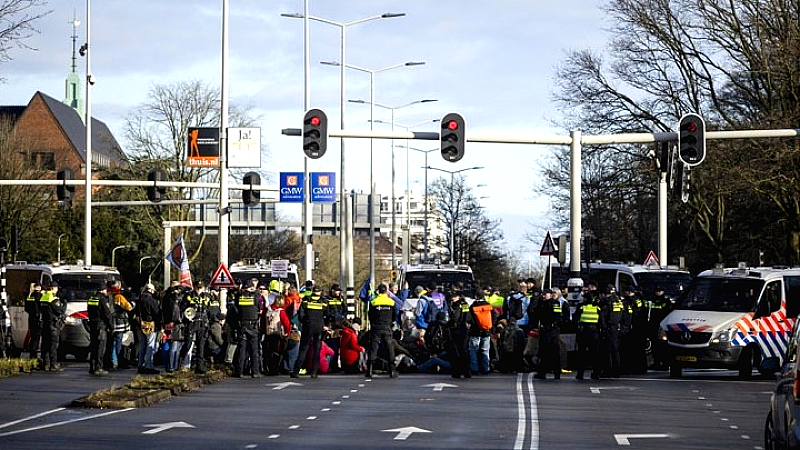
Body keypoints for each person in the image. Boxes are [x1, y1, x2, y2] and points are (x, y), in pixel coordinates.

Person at [291, 286, 328, 379]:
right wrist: (325, 324)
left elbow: (300, 314)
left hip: (308, 327)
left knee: (303, 349)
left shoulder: (306, 300)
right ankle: (314, 372)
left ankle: (296, 371)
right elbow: (328, 314)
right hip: (319, 327)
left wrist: (305, 322)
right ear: (320, 292)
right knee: (317, 350)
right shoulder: (324, 302)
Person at [534, 289, 568, 379]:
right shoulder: (541, 303)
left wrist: (553, 325)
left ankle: (556, 372)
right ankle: (542, 372)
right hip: (545, 329)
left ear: (550, 294)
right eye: (543, 294)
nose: (543, 296)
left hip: (552, 329)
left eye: (545, 294)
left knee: (554, 351)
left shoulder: (555, 303)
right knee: (544, 352)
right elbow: (536, 314)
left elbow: (557, 316)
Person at [366, 284, 397, 378]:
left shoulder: (373, 302)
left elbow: (370, 315)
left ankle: (370, 370)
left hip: (376, 327)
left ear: (378, 291)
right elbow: (394, 316)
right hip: (387, 327)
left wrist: (373, 324)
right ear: (386, 291)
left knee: (373, 348)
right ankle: (392, 371)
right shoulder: (391, 302)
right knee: (389, 348)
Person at [574, 281, 602, 380]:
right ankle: (596, 373)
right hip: (594, 332)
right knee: (595, 354)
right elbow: (601, 321)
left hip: (584, 332)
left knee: (582, 353)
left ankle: (580, 374)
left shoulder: (581, 306)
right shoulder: (597, 307)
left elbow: (575, 319)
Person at [235, 278, 261, 378]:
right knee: (254, 349)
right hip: (252, 324)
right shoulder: (256, 296)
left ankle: (239, 371)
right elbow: (259, 308)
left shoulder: (239, 295)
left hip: (242, 324)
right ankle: (255, 372)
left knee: (242, 348)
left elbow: (237, 307)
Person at [88, 281, 113, 376]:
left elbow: (89, 311)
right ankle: (98, 368)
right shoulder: (102, 299)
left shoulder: (91, 298)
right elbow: (107, 314)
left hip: (92, 324)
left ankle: (92, 366)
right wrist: (111, 326)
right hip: (101, 326)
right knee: (100, 347)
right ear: (103, 290)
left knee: (93, 346)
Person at [261, 294, 291, 375]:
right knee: (278, 351)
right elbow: (286, 323)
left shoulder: (268, 309)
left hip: (268, 333)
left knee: (268, 350)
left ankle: (269, 368)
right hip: (278, 334)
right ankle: (275, 369)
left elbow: (263, 321)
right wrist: (287, 332)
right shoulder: (281, 311)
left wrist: (263, 331)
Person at [39, 282, 65, 372]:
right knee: (53, 345)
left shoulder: (43, 297)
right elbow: (59, 311)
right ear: (53, 288)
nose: (57, 290)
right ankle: (53, 364)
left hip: (45, 324)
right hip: (53, 325)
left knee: (45, 344)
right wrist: (64, 304)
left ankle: (46, 364)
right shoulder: (53, 298)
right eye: (56, 288)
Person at [109, 281, 134, 371]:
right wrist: (132, 303)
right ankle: (118, 361)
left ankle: (112, 361)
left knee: (112, 343)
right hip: (119, 323)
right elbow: (129, 307)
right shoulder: (120, 296)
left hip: (111, 323)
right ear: (118, 287)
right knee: (119, 342)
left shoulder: (109, 295)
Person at [469, 289, 495, 375]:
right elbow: (495, 316)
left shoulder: (473, 306)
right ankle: (485, 368)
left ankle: (474, 368)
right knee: (485, 350)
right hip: (486, 331)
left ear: (476, 296)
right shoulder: (488, 305)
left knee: (473, 350)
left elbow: (470, 319)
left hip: (475, 331)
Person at [137, 283, 161, 374]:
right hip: (150, 324)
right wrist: (159, 325)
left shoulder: (139, 299)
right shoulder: (152, 300)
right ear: (151, 290)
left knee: (142, 345)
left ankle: (140, 365)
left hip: (141, 323)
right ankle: (148, 366)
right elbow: (156, 313)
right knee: (150, 345)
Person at [446, 292, 472, 379]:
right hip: (462, 330)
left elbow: (458, 318)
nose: (452, 298)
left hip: (458, 330)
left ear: (458, 297)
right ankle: (465, 371)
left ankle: (458, 371)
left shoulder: (458, 305)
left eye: (454, 296)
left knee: (457, 351)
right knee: (462, 351)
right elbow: (467, 317)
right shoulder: (463, 304)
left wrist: (450, 323)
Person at [648, 286, 672, 370]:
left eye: (660, 291)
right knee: (655, 345)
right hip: (653, 325)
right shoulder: (653, 300)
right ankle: (656, 362)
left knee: (663, 345)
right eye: (657, 291)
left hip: (662, 326)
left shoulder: (666, 301)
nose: (658, 293)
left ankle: (665, 364)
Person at [25, 283, 42, 364]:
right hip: (38, 320)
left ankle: (32, 355)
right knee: (36, 338)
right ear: (39, 288)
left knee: (32, 337)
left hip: (31, 319)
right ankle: (35, 356)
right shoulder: (39, 296)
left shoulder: (29, 296)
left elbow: (26, 309)